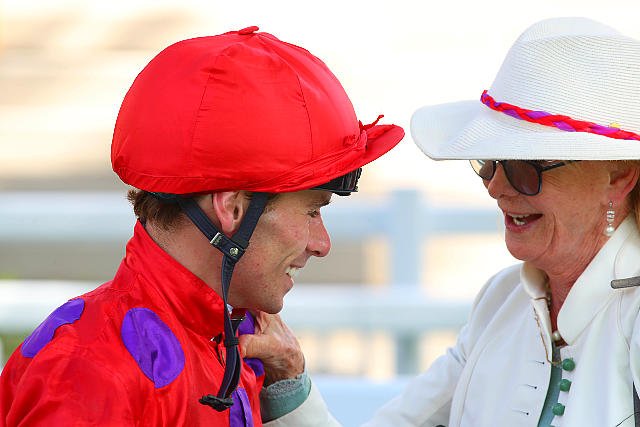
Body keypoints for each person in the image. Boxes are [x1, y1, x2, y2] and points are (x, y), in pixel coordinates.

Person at [244, 17, 640, 427]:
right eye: (491, 161)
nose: (496, 186)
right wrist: (290, 380)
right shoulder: (501, 302)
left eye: (526, 167)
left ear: (618, 177)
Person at [0, 26, 404, 426]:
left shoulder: (235, 336)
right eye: (312, 211)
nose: (322, 244)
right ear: (232, 209)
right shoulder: (90, 374)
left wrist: (289, 388)